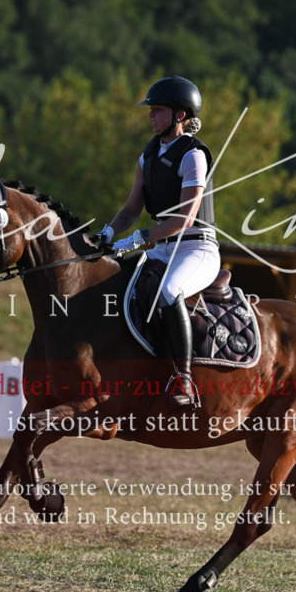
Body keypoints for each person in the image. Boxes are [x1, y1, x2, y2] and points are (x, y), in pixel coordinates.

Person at [94, 76, 220, 410]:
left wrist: (139, 239)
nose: (151, 116)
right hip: (163, 247)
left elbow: (185, 219)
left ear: (181, 115)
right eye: (151, 110)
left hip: (197, 248)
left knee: (167, 292)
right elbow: (133, 209)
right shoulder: (147, 155)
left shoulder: (193, 155)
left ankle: (184, 379)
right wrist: (108, 233)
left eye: (158, 110)